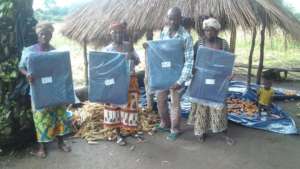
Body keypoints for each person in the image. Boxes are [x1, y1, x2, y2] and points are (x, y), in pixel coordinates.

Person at [19, 22, 72, 158]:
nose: (44, 36)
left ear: (51, 35)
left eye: (47, 34)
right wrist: (28, 74)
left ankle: (61, 142)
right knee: (41, 118)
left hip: (55, 91)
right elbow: (21, 67)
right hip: (38, 91)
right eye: (41, 34)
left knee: (60, 116)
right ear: (37, 35)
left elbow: (61, 71)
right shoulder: (29, 51)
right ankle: (42, 147)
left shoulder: (55, 52)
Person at [145, 7, 194, 141]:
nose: (172, 22)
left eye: (175, 19)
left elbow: (189, 62)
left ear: (180, 19)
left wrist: (179, 81)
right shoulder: (164, 32)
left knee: (175, 104)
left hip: (177, 77)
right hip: (163, 75)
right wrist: (150, 48)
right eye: (170, 19)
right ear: (167, 19)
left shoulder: (186, 37)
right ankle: (165, 123)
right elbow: (160, 53)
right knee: (160, 101)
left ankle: (175, 129)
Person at [188, 18, 234, 145]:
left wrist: (229, 74)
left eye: (211, 30)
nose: (208, 33)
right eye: (206, 30)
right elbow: (192, 59)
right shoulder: (199, 43)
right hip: (202, 80)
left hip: (218, 80)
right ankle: (201, 131)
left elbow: (228, 61)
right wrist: (192, 70)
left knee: (219, 106)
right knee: (202, 106)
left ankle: (223, 132)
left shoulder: (223, 44)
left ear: (217, 31)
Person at [102, 22, 140, 146]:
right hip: (115, 82)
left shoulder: (128, 46)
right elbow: (104, 68)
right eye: (115, 33)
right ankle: (118, 134)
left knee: (130, 107)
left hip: (130, 81)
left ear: (124, 34)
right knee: (115, 107)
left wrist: (131, 55)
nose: (118, 35)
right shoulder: (107, 50)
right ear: (111, 34)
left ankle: (129, 130)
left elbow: (137, 61)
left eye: (120, 33)